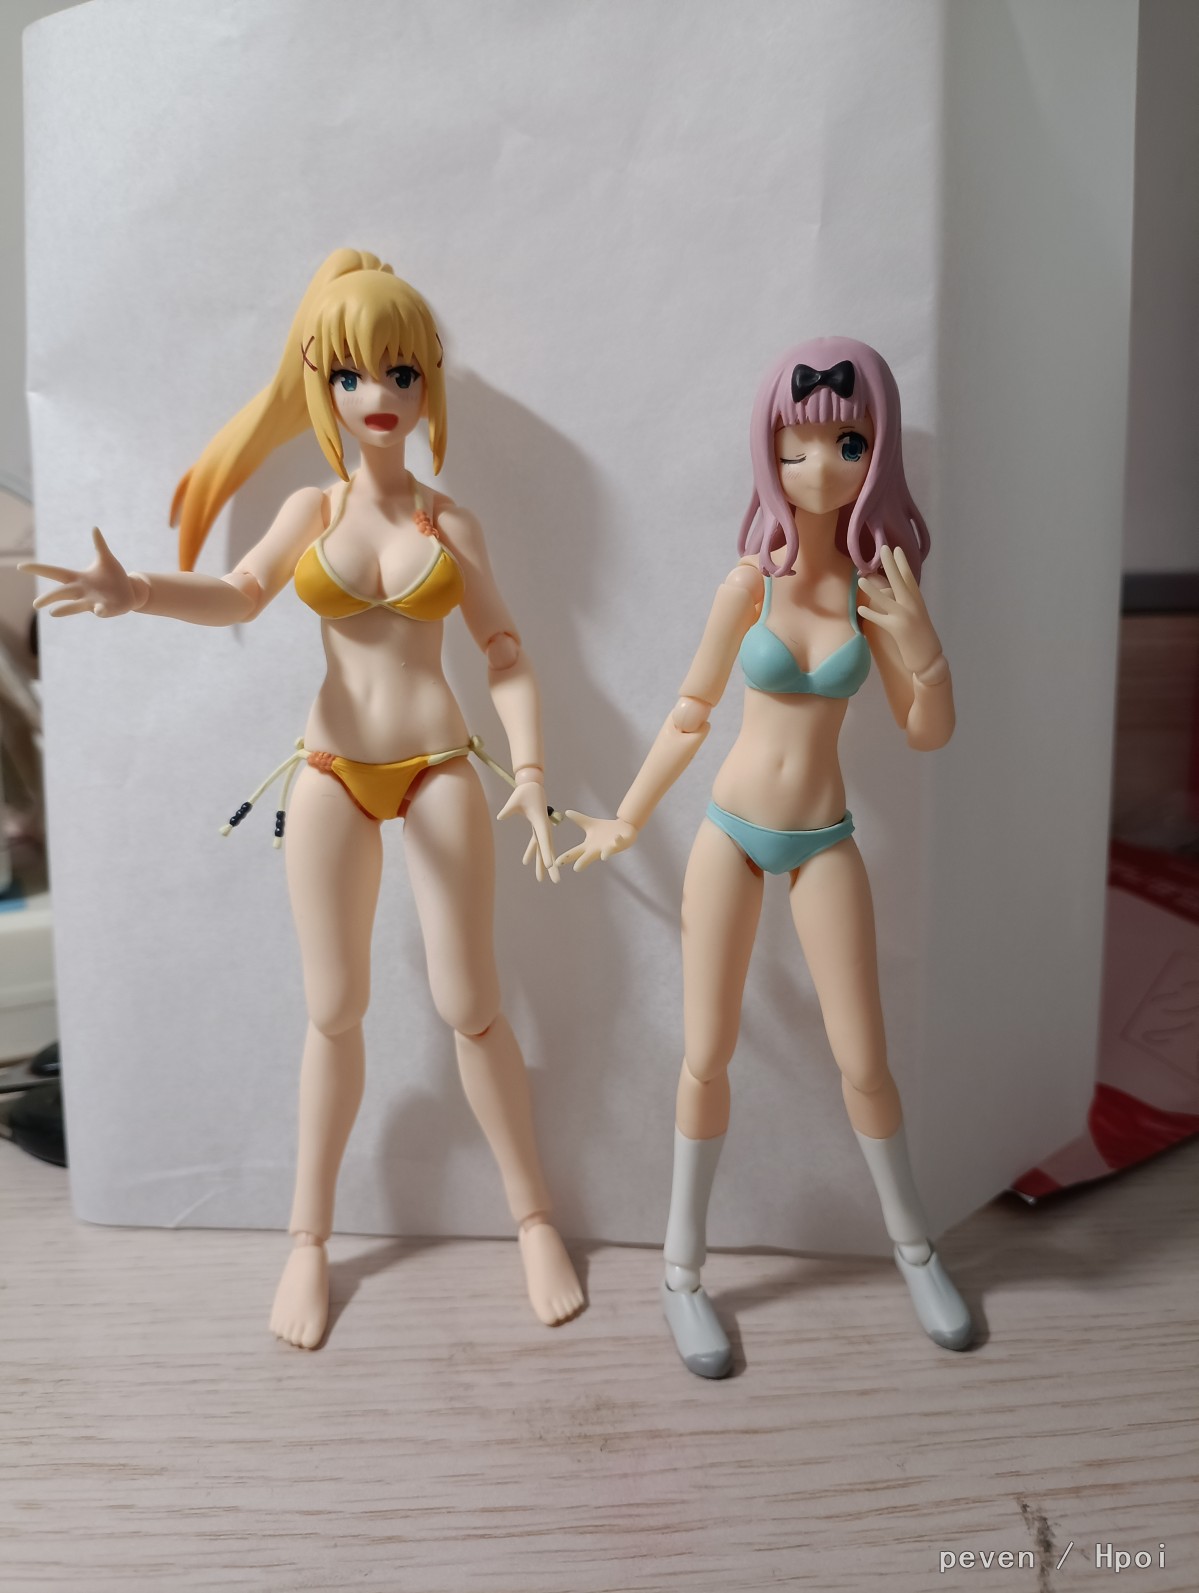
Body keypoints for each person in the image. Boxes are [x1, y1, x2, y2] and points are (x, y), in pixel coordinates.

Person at [24, 248, 584, 1349]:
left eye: (401, 373)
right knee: (332, 1010)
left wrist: (527, 772)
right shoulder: (311, 508)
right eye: (353, 375)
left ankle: (532, 1218)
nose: (380, 395)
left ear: (426, 383)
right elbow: (240, 595)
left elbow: (507, 654)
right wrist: (137, 589)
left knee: (471, 1001)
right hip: (330, 772)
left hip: (437, 767)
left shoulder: (450, 524)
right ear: (321, 385)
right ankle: (308, 1241)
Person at [558, 338, 972, 1377]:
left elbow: (926, 733)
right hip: (729, 837)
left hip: (823, 838)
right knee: (706, 1053)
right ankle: (680, 1273)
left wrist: (922, 648)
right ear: (767, 452)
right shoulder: (748, 583)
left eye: (845, 444)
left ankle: (916, 1251)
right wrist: (624, 819)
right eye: (795, 448)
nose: (819, 468)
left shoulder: (876, 593)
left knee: (863, 1059)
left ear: (874, 453)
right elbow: (689, 712)